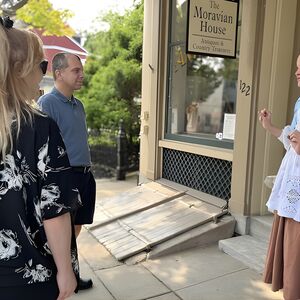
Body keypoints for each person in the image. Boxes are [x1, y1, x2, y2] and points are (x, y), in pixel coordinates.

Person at [0, 16, 78, 300]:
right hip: (30, 278)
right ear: (20, 70)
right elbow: (54, 209)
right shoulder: (38, 126)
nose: (43, 73)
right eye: (41, 65)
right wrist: (66, 270)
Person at [38, 52, 96, 290]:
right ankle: (59, 275)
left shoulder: (78, 104)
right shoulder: (47, 104)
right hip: (65, 177)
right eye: (76, 70)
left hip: (84, 174)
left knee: (76, 227)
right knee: (61, 230)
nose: (81, 75)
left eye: (81, 70)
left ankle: (69, 272)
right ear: (58, 73)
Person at [258, 53, 300, 300]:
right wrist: (270, 127)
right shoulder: (299, 103)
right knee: (290, 250)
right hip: (292, 182)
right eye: (296, 67)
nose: (297, 72)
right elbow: (292, 140)